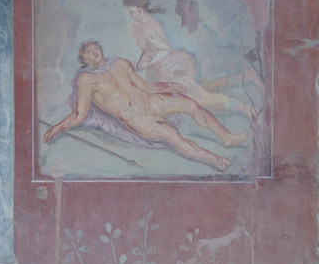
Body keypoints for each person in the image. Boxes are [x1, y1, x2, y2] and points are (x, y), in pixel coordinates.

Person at [43, 40, 248, 171]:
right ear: (84, 59)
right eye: (89, 52)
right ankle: (215, 159)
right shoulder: (86, 79)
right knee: (173, 136)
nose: (94, 52)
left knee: (192, 105)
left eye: (96, 49)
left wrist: (168, 85)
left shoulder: (120, 63)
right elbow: (80, 114)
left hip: (151, 101)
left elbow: (145, 86)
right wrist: (58, 127)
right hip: (137, 118)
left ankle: (227, 137)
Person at [122, 0, 259, 119]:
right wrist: (140, 63)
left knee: (202, 98)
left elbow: (165, 50)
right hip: (158, 69)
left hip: (171, 66)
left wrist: (149, 64)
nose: (131, 14)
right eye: (130, 11)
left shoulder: (150, 26)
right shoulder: (136, 27)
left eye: (132, 11)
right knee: (176, 97)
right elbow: (148, 50)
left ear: (140, 10)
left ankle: (245, 108)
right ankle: (245, 77)